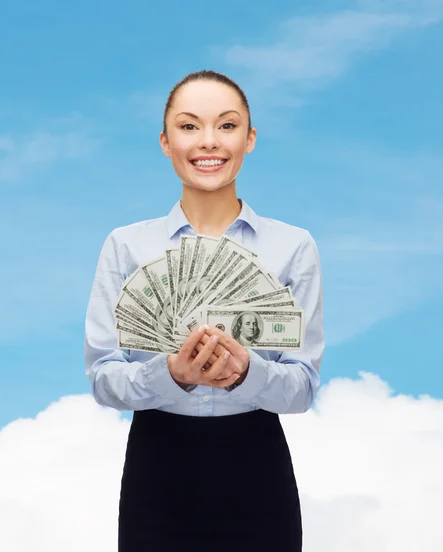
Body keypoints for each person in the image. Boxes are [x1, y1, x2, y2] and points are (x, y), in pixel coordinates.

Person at [84, 69, 324, 552]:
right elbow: (103, 378)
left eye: (228, 125)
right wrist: (170, 373)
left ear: (250, 138)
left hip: (258, 468)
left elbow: (301, 389)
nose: (208, 142)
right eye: (190, 126)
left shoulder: (293, 246)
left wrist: (245, 373)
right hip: (157, 465)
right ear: (165, 141)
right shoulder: (126, 245)